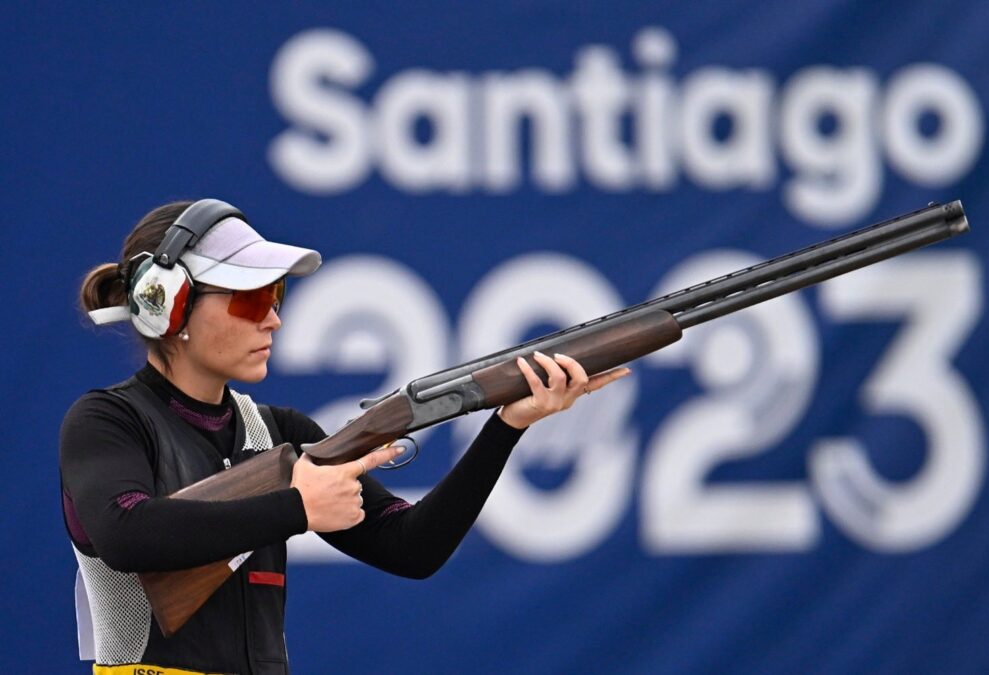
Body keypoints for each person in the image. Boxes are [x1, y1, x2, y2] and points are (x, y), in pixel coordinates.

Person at [60, 199, 629, 675]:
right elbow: (126, 534)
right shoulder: (108, 422)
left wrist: (507, 425)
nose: (273, 320)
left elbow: (412, 549)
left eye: (276, 297)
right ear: (169, 306)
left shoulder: (280, 434)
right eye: (251, 299)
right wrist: (297, 507)